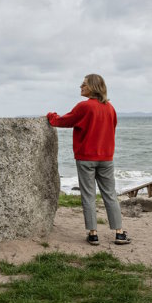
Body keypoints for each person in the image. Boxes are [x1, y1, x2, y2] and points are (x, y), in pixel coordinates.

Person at [47, 74, 131, 246]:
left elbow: (64, 121)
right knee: (110, 195)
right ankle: (119, 233)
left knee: (88, 195)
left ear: (93, 87)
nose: (80, 87)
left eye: (84, 84)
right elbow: (111, 129)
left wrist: (51, 116)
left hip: (86, 157)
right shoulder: (110, 108)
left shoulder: (84, 107)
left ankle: (93, 234)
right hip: (106, 157)